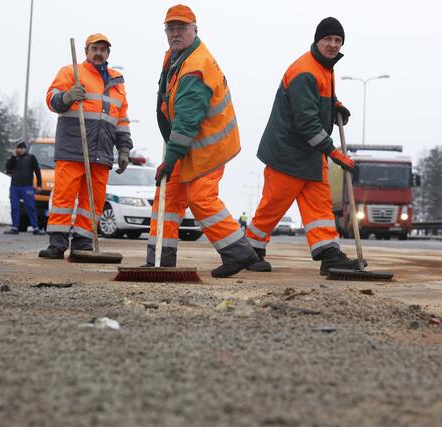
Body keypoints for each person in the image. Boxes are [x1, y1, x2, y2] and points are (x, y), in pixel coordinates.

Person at [145, 4, 265, 278]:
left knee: (200, 198)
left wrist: (169, 160)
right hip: (187, 146)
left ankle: (240, 253)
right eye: (171, 28)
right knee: (167, 198)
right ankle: (159, 259)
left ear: (195, 30)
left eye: (182, 28)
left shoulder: (195, 68)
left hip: (207, 147)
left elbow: (187, 122)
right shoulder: (177, 57)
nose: (175, 33)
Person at [245, 17, 364, 275]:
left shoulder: (324, 68)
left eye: (337, 40)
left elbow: (317, 101)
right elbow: (306, 122)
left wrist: (335, 106)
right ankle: (249, 251)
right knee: (272, 205)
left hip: (309, 153)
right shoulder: (305, 71)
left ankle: (329, 254)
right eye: (328, 39)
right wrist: (333, 152)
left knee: (320, 207)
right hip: (287, 153)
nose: (333, 44)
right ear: (317, 40)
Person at [39, 33, 132, 259]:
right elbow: (52, 99)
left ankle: (83, 241)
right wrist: (68, 96)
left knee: (93, 201)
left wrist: (124, 148)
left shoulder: (117, 82)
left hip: (101, 152)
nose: (98, 53)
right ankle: (57, 244)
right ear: (86, 51)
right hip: (73, 148)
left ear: (108, 53)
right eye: (94, 49)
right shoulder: (71, 72)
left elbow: (121, 119)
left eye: (103, 49)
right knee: (64, 197)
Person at [4, 140, 45, 235]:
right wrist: (13, 156)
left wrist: (39, 184)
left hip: (27, 187)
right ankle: (14, 227)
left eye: (21, 148)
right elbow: (8, 168)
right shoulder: (14, 158)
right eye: (18, 148)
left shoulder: (31, 158)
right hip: (14, 186)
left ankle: (35, 228)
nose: (19, 150)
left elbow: (37, 171)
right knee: (15, 207)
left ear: (25, 149)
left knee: (31, 207)